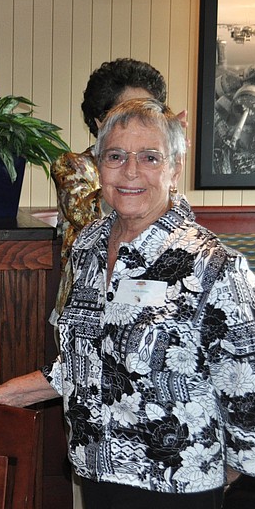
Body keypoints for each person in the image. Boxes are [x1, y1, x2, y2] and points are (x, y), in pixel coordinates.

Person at [0, 99, 255, 509]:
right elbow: (79, 364)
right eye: (115, 156)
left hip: (175, 487)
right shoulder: (90, 246)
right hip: (96, 473)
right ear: (98, 167)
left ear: (175, 169)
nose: (130, 171)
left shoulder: (214, 267)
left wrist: (218, 479)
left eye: (150, 157)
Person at [52, 58, 172, 319]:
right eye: (128, 113)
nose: (141, 123)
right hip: (87, 304)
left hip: (147, 300)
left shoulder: (160, 169)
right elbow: (87, 217)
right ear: (100, 122)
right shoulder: (74, 166)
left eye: (148, 113)